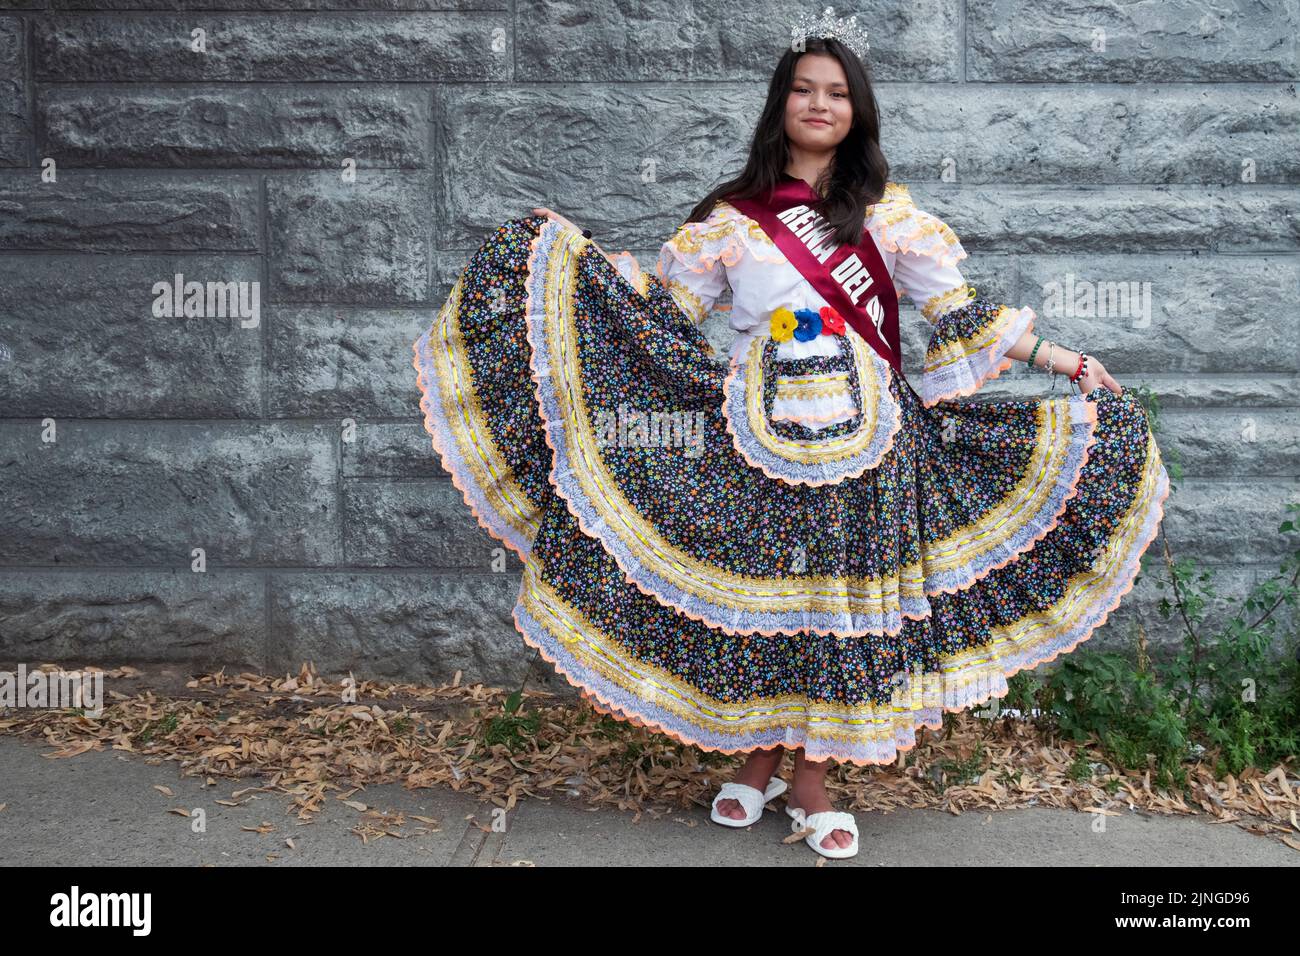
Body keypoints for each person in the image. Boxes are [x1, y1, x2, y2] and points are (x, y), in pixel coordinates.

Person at [412, 12, 1169, 861]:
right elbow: (663, 323)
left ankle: (810, 781)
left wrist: (1065, 359)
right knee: (771, 609)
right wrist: (577, 281)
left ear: (857, 112)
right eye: (804, 89)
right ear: (781, 106)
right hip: (756, 445)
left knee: (838, 614)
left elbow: (961, 315)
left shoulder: (887, 215)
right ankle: (760, 757)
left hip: (871, 448)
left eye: (837, 92)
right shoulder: (730, 220)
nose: (820, 103)